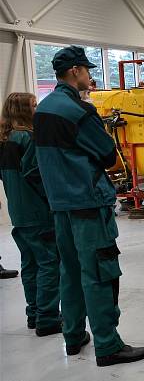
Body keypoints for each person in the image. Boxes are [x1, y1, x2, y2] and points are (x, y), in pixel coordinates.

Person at [33, 45, 144, 366]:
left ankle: (73, 336)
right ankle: (108, 344)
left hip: (60, 206)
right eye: (86, 70)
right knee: (99, 272)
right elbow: (110, 158)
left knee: (69, 271)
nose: (89, 76)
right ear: (74, 72)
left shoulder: (43, 109)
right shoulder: (79, 112)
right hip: (87, 203)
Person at [0, 92, 61, 335]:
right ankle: (47, 318)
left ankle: (34, 313)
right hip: (37, 211)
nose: (37, 109)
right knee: (49, 263)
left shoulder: (5, 141)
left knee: (31, 263)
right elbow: (36, 174)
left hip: (18, 212)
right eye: (34, 105)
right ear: (24, 111)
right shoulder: (28, 139)